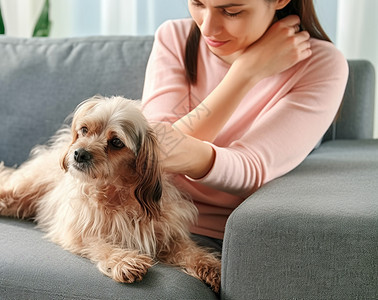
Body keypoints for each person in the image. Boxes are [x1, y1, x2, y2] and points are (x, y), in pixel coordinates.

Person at [141, 0, 348, 250]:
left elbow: (251, 167)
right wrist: (245, 71)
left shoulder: (320, 64)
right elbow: (148, 154)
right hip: (140, 218)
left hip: (219, 238)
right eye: (197, 3)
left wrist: (247, 75)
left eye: (232, 12)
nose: (207, 28)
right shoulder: (174, 37)